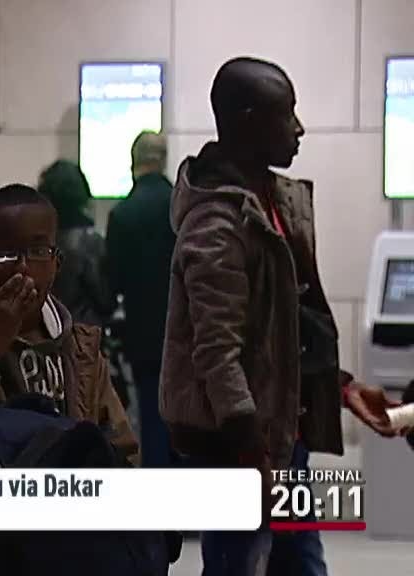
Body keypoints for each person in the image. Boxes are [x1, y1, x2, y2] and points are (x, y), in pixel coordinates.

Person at [159, 56, 402, 576]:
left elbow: (284, 335)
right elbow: (217, 355)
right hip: (242, 450)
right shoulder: (217, 225)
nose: (299, 128)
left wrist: (341, 388)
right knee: (240, 566)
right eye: (286, 113)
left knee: (301, 566)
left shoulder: (273, 204)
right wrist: (253, 458)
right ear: (248, 121)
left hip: (279, 439)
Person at [0, 184, 137, 463]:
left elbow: (121, 445)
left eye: (39, 251)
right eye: (4, 254)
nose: (23, 267)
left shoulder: (81, 347)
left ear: (56, 262)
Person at [106, 131, 175, 467]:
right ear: (163, 161)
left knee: (151, 413)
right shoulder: (182, 207)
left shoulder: (123, 214)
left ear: (134, 162)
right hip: (185, 332)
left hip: (143, 335)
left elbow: (113, 282)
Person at [38, 159, 113, 327]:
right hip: (83, 330)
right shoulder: (90, 241)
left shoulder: (39, 242)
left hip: (47, 327)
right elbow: (104, 299)